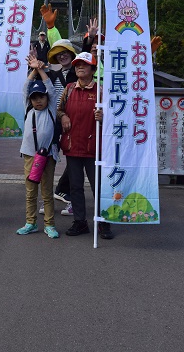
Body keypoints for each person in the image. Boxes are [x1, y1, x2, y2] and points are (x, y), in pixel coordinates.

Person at [57, 51, 113, 239]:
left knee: (98, 186)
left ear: (93, 69)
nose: (80, 67)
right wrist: (64, 116)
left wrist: (104, 117)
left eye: (84, 64)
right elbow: (59, 109)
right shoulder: (69, 88)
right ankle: (80, 222)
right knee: (75, 187)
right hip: (73, 146)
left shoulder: (101, 91)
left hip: (94, 147)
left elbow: (115, 118)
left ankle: (104, 222)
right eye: (77, 64)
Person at [16, 56, 59, 239]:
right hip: (29, 155)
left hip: (48, 155)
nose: (38, 101)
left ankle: (49, 224)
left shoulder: (51, 109)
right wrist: (33, 69)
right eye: (34, 98)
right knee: (30, 192)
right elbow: (26, 88)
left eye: (41, 97)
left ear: (47, 98)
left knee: (47, 192)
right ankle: (30, 222)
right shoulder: (28, 109)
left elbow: (50, 87)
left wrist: (41, 70)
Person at [38, 39, 77, 217]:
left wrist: (90, 39)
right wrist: (37, 67)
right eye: (59, 53)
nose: (62, 55)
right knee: (48, 157)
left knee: (75, 159)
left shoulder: (79, 73)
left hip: (75, 121)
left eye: (65, 52)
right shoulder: (53, 76)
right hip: (55, 122)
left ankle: (67, 195)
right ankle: (48, 199)